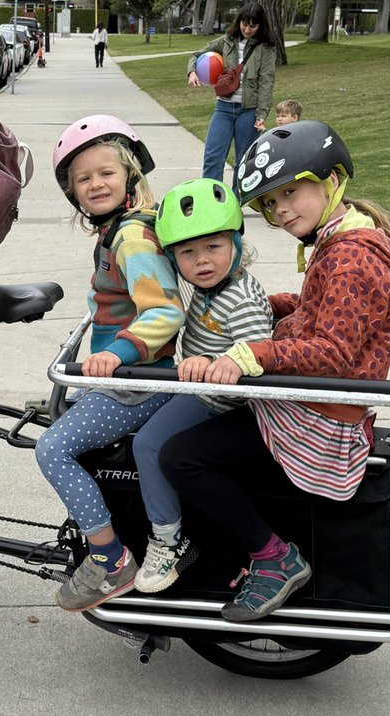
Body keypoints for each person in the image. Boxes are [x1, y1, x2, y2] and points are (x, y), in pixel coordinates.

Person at [161, 120, 390, 622]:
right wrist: (267, 302)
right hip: (304, 401)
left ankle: (275, 559)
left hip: (317, 417)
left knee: (180, 456)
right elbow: (319, 309)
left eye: (290, 192)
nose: (281, 210)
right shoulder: (343, 239)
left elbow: (332, 351)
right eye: (270, 202)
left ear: (330, 180)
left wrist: (253, 354)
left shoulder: (351, 257)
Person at [35, 115, 185, 612]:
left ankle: (109, 557)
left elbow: (164, 310)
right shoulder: (114, 233)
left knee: (52, 449)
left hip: (138, 383)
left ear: (130, 178)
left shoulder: (132, 239)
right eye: (83, 178)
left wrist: (114, 353)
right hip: (126, 378)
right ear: (72, 192)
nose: (95, 183)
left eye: (106, 173)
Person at [130, 178, 274, 594]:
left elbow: (252, 356)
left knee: (149, 444)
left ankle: (168, 539)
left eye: (213, 247)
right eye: (187, 252)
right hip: (201, 389)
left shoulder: (240, 297)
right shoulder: (215, 287)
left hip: (220, 400)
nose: (202, 261)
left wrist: (211, 363)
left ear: (236, 243)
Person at [187, 3, 276, 190]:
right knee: (213, 157)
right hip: (224, 108)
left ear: (260, 26)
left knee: (243, 162)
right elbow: (197, 54)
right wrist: (192, 72)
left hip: (248, 111)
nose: (247, 29)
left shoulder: (266, 49)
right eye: (244, 24)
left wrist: (262, 115)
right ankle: (211, 201)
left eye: (253, 26)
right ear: (239, 22)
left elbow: (266, 84)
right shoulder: (227, 40)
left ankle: (235, 205)